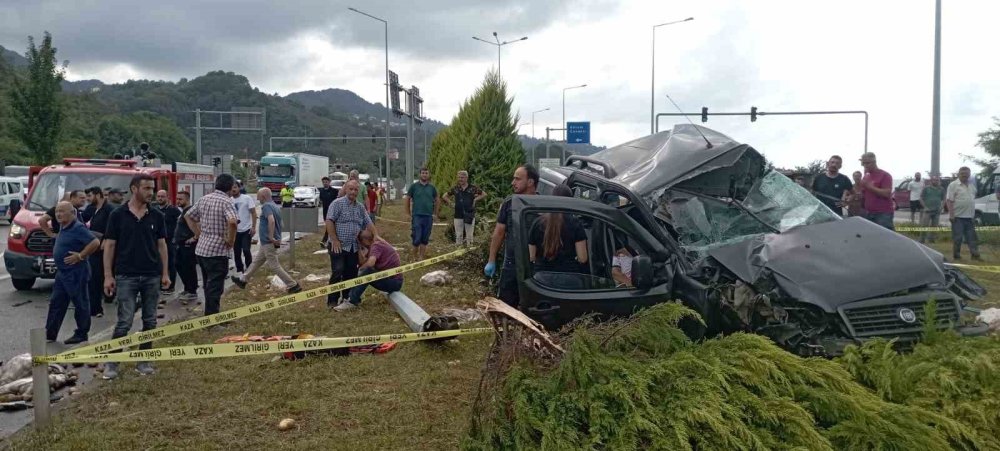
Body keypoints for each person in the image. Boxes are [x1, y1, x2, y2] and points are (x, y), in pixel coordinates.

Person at [102, 174, 169, 379]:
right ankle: (112, 363)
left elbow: (162, 245)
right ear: (134, 189)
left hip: (151, 275)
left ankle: (143, 361)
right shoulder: (118, 215)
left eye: (152, 189)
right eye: (147, 188)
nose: (151, 193)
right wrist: (108, 276)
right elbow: (109, 245)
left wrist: (165, 273)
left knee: (150, 321)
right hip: (126, 275)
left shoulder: (157, 216)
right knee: (125, 321)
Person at [44, 201, 100, 344]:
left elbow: (95, 242)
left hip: (76, 272)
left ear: (72, 213)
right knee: (56, 302)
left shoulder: (77, 227)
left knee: (80, 302)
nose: (58, 214)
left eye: (62, 211)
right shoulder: (63, 226)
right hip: (63, 272)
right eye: (57, 211)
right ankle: (50, 333)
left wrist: (80, 256)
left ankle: (81, 333)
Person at [486, 164, 539, 308]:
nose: (512, 182)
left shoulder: (542, 204)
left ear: (530, 182)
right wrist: (491, 260)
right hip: (511, 264)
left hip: (536, 266)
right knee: (507, 306)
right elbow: (499, 232)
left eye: (517, 179)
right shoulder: (509, 203)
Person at [186, 174, 238, 319]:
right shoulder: (227, 202)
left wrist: (198, 233)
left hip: (202, 249)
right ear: (230, 187)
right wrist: (231, 240)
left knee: (208, 285)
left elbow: (188, 216)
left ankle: (209, 315)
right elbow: (233, 222)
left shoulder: (204, 199)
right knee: (215, 287)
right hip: (217, 252)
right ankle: (212, 319)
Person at [231, 187, 301, 294]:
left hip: (269, 242)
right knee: (257, 262)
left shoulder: (266, 206)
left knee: (274, 265)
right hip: (267, 242)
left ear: (263, 196)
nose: (257, 199)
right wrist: (277, 236)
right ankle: (243, 280)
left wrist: (271, 237)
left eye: (258, 196)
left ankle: (293, 285)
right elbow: (281, 223)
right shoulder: (275, 206)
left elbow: (271, 221)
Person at [325, 180, 377, 308]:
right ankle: (332, 300)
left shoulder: (360, 207)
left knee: (351, 273)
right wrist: (334, 240)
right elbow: (329, 221)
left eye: (355, 190)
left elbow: (368, 222)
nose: (353, 192)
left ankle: (347, 298)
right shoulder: (337, 204)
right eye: (351, 189)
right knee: (338, 271)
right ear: (346, 189)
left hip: (353, 246)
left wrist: (376, 236)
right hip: (338, 245)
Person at [527, 184, 588, 276]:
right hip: (568, 277)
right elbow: (582, 258)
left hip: (541, 278)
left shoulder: (538, 222)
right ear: (570, 201)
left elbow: (531, 257)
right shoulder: (576, 223)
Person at [338, 229, 403, 311]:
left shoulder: (376, 246)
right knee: (365, 270)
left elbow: (370, 263)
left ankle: (352, 301)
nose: (361, 244)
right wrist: (358, 248)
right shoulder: (375, 246)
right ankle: (352, 297)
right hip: (391, 280)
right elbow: (362, 262)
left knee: (368, 271)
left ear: (365, 240)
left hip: (394, 282)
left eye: (360, 241)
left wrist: (361, 270)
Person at [85, 186, 113, 316]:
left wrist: (106, 239)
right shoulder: (93, 209)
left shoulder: (109, 210)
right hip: (95, 248)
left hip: (105, 249)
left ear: (97, 195)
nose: (87, 199)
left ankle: (99, 306)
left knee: (99, 278)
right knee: (94, 279)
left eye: (89, 196)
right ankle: (95, 308)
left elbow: (112, 227)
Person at [442, 170, 486, 246]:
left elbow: (484, 194)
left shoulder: (473, 188)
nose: (460, 179)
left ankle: (469, 250)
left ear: (466, 178)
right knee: (458, 236)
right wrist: (451, 203)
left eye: (462, 177)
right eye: (459, 177)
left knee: (469, 236)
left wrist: (475, 199)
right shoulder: (455, 188)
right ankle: (458, 250)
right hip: (458, 214)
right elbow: (444, 196)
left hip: (469, 214)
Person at [946, 167, 980, 261]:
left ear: (969, 174)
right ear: (959, 174)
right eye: (962, 173)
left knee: (972, 238)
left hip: (970, 217)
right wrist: (951, 215)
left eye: (966, 174)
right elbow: (949, 201)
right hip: (958, 217)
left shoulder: (972, 186)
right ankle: (956, 256)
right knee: (958, 238)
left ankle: (975, 255)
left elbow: (972, 199)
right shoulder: (953, 185)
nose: (965, 175)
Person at [405, 167, 439, 261]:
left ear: (429, 175)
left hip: (428, 216)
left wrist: (435, 214)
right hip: (417, 216)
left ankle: (421, 257)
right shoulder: (414, 186)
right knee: (417, 237)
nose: (424, 175)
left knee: (425, 238)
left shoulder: (432, 188)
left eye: (426, 173)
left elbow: (437, 200)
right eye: (423, 173)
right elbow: (407, 199)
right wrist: (407, 213)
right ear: (420, 174)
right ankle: (414, 257)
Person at [173, 191, 200, 303]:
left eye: (180, 199)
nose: (178, 201)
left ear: (187, 200)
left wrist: (194, 238)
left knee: (189, 268)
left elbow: (198, 225)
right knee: (179, 265)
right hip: (180, 244)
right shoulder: (183, 211)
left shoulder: (190, 212)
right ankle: (187, 288)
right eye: (177, 199)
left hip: (188, 245)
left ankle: (192, 291)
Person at [154, 190, 182, 294]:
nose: (160, 198)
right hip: (157, 241)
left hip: (170, 242)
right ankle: (160, 285)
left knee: (171, 264)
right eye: (158, 196)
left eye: (162, 196)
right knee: (158, 264)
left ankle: (171, 287)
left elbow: (180, 224)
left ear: (167, 197)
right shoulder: (154, 210)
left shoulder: (174, 210)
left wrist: (176, 238)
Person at [858, 152, 895, 230]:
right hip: (868, 212)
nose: (865, 165)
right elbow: (865, 194)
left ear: (874, 162)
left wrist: (869, 186)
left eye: (867, 163)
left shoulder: (885, 175)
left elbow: (887, 194)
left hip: (883, 214)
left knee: (884, 235)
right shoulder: (866, 176)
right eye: (863, 163)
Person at [230, 181, 257, 275]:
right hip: (234, 231)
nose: (233, 189)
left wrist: (253, 227)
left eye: (235, 187)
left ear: (239, 188)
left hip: (246, 229)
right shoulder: (229, 200)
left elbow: (253, 213)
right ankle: (240, 270)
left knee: (246, 250)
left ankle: (249, 269)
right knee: (236, 252)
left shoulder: (247, 198)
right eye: (232, 188)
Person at [919, 176, 945, 244]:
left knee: (934, 226)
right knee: (924, 225)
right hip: (927, 210)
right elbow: (921, 198)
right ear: (931, 181)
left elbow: (944, 199)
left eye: (937, 180)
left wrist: (941, 207)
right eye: (934, 180)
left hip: (937, 211)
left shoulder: (941, 189)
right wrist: (925, 207)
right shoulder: (926, 188)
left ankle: (931, 240)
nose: (936, 181)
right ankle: (922, 240)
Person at [318, 176, 338, 246]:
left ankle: (324, 240)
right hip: (325, 211)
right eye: (323, 182)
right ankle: (329, 241)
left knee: (329, 226)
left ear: (329, 182)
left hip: (332, 211)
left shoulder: (334, 191)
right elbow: (320, 200)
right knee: (329, 226)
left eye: (326, 182)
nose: (325, 183)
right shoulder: (321, 191)